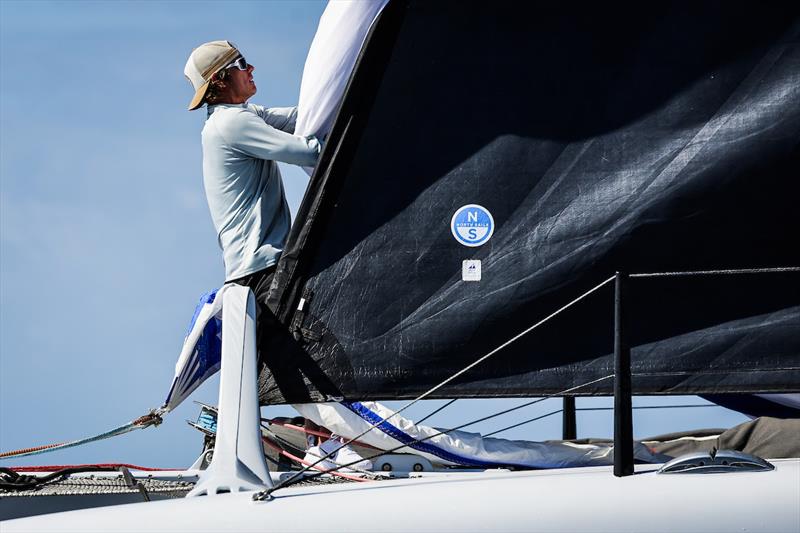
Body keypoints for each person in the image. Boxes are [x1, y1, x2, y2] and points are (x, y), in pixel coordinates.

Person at [183, 40, 322, 339]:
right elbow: (312, 151)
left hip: (255, 274)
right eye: (241, 64)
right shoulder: (231, 123)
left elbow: (306, 118)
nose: (251, 69)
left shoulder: (238, 117)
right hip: (263, 275)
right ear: (220, 80)